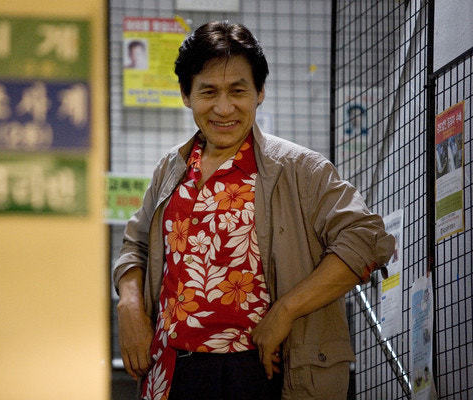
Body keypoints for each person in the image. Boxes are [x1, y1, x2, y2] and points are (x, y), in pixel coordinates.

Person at [113, 21, 395, 400]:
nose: (223, 108)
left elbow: (367, 239)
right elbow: (135, 247)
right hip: (170, 373)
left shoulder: (299, 169)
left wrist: (285, 310)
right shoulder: (172, 168)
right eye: (208, 91)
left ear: (260, 92)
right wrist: (130, 306)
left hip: (260, 372)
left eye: (238, 91)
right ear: (186, 95)